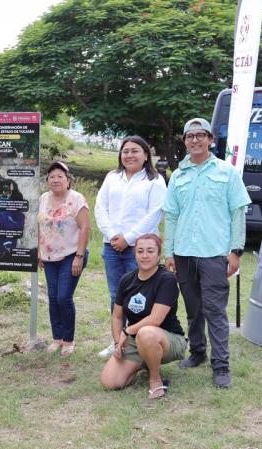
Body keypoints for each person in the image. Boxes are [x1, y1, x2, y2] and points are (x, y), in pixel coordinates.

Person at [163, 118, 251, 388]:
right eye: (190, 136)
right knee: (193, 311)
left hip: (214, 254)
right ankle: (198, 353)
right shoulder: (178, 176)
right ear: (185, 141)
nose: (195, 140)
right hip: (184, 254)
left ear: (210, 140)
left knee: (214, 311)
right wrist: (169, 252)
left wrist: (235, 251)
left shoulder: (226, 172)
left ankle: (221, 366)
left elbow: (238, 214)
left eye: (201, 135)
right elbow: (171, 217)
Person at [94, 136, 167, 358]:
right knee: (116, 295)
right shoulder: (112, 177)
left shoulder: (155, 181)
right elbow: (100, 208)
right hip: (112, 246)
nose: (129, 155)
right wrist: (113, 235)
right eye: (125, 151)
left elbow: (155, 213)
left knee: (141, 296)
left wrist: (128, 238)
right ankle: (117, 341)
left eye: (135, 151)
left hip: (140, 249)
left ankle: (140, 340)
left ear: (146, 154)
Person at [99, 234, 187, 399]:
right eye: (140, 251)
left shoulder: (167, 279)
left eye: (150, 251)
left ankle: (155, 379)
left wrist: (126, 332)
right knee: (110, 382)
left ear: (158, 254)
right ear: (135, 254)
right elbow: (117, 316)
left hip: (168, 339)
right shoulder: (126, 280)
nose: (145, 255)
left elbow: (155, 320)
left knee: (146, 332)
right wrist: (118, 342)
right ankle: (143, 361)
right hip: (136, 339)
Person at [37, 160, 90, 356]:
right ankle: (57, 338)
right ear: (47, 181)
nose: (56, 180)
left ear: (68, 180)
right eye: (52, 177)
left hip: (71, 255)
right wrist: (38, 251)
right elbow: (39, 225)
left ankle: (68, 340)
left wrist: (79, 256)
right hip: (49, 257)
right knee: (52, 298)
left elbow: (85, 227)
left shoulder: (76, 198)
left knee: (63, 297)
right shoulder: (43, 198)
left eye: (60, 176)